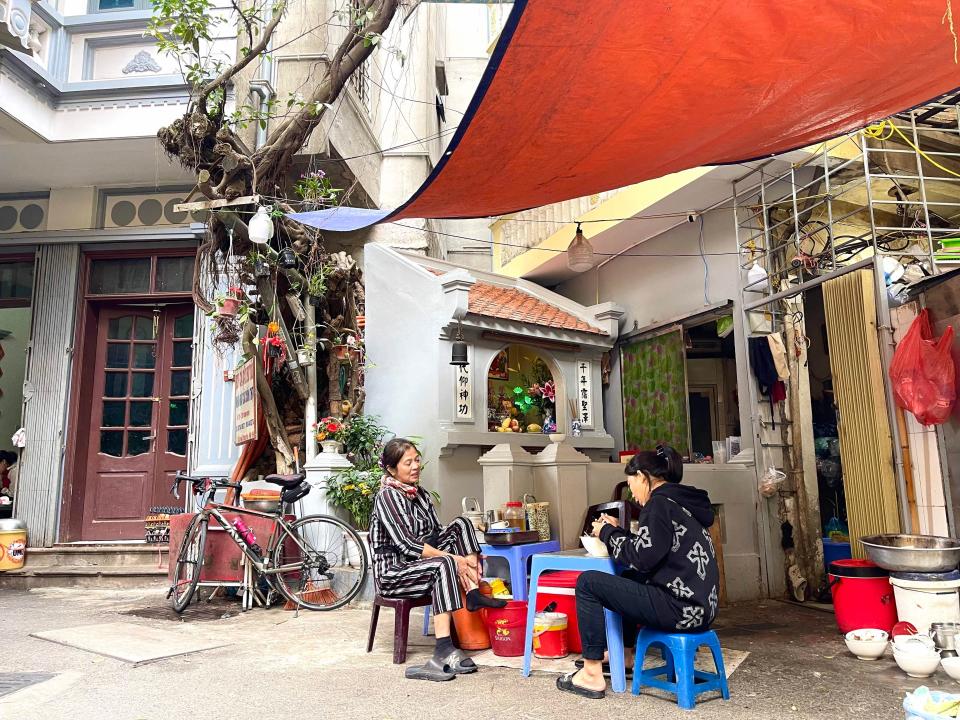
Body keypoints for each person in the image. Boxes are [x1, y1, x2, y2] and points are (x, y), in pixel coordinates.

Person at [557, 444, 719, 699]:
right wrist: (618, 532)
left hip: (679, 608)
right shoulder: (681, 502)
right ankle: (626, 654)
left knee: (588, 582)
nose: (632, 493)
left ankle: (590, 673)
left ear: (643, 477)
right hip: (702, 610)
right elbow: (654, 551)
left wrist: (606, 532)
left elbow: (642, 558)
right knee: (629, 579)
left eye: (631, 483)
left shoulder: (658, 504)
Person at [369, 437, 506, 681]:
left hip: (421, 563)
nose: (415, 466)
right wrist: (453, 558)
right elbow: (407, 544)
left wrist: (460, 555)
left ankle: (473, 591)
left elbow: (437, 531)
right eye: (407, 462)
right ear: (391, 469)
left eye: (417, 460)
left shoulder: (421, 494)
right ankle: (442, 649)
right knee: (443, 564)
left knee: (462, 523)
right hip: (394, 572)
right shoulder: (387, 497)